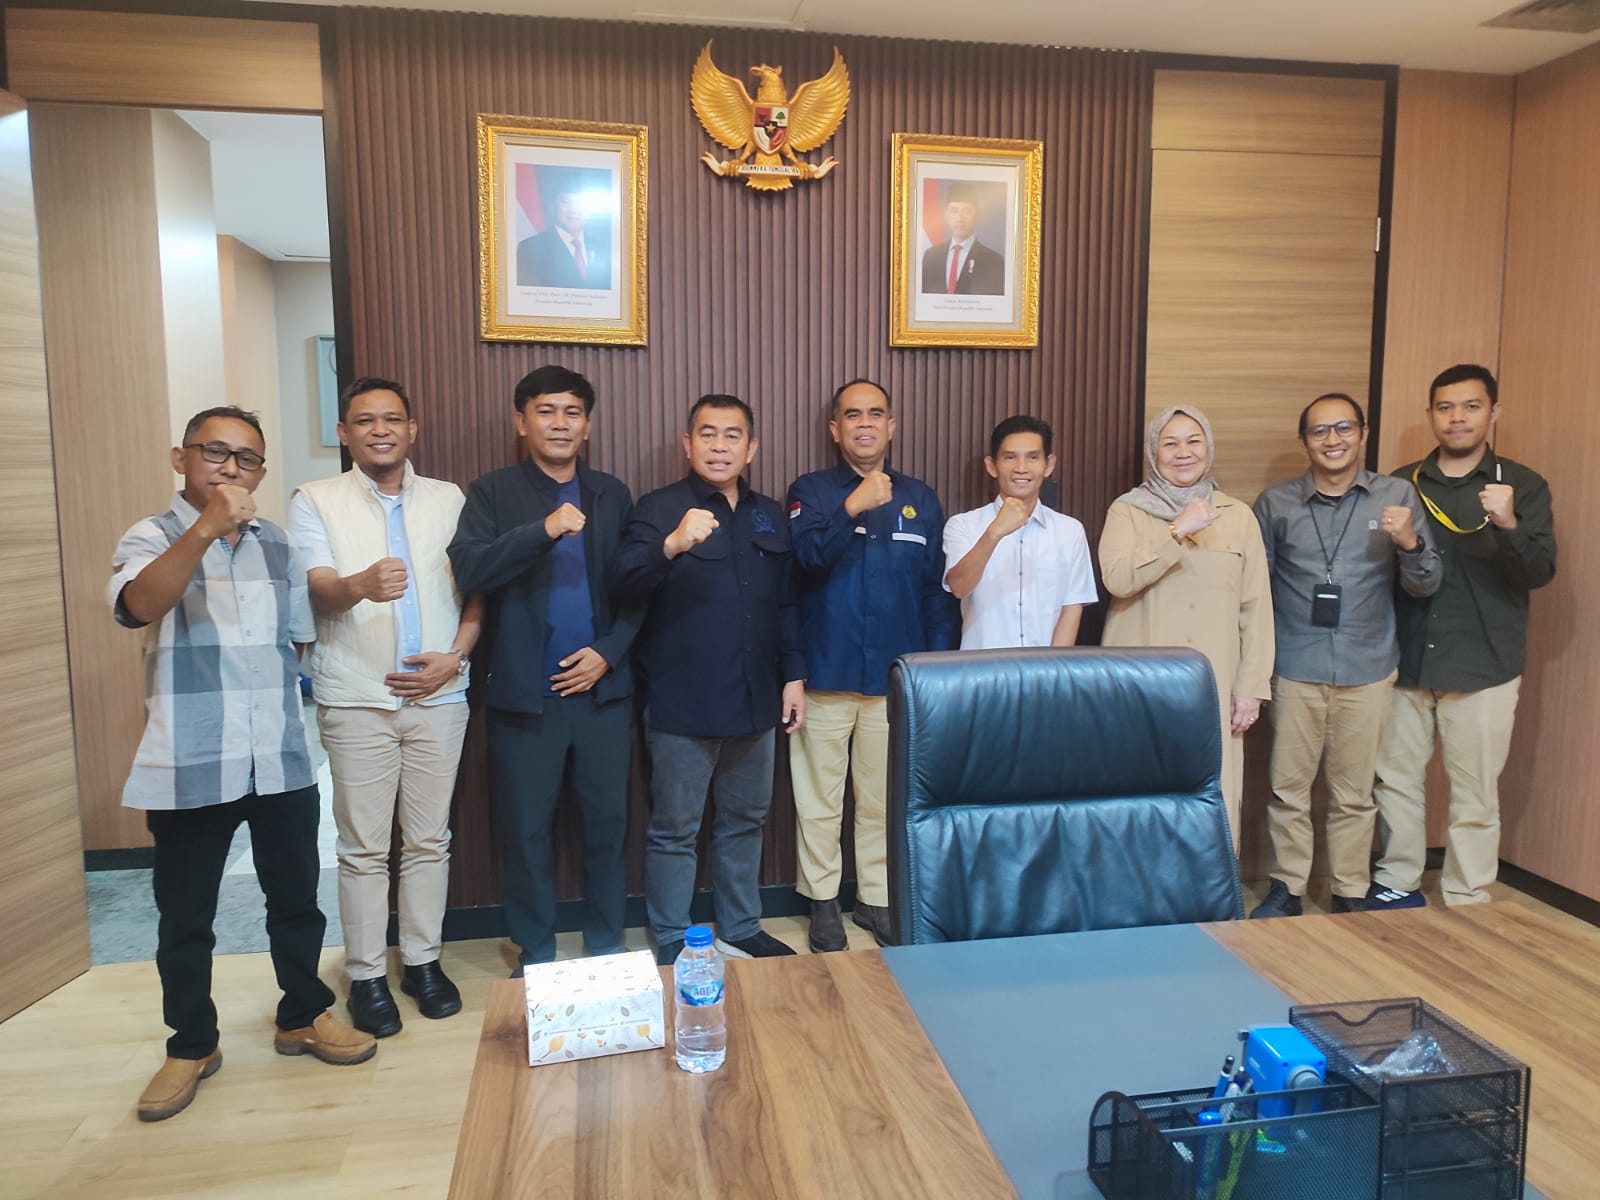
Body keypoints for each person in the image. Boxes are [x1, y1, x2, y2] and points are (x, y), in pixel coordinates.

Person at [112, 406, 375, 1124]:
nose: (232, 468)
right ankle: (191, 1044)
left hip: (280, 756)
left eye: (248, 458)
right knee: (186, 917)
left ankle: (304, 1015)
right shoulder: (151, 535)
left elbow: (297, 641)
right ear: (181, 458)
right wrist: (205, 528)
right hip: (191, 759)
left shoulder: (276, 544)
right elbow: (139, 606)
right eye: (216, 452)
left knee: (296, 900)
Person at [288, 377, 481, 1037]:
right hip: (356, 698)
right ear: (345, 433)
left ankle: (423, 962)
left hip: (440, 696)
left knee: (429, 840)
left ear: (412, 429)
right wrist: (359, 585)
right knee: (363, 848)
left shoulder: (450, 499)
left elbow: (477, 590)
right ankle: (367, 974)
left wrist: (457, 656)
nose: (380, 430)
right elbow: (316, 591)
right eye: (365, 420)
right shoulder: (315, 500)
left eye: (392, 418)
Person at [448, 366, 642, 972]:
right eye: (546, 411)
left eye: (572, 412)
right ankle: (535, 953)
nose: (560, 423)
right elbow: (471, 569)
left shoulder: (611, 493)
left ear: (588, 426)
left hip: (603, 692)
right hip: (524, 698)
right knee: (526, 831)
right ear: (521, 421)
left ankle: (606, 946)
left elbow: (639, 587)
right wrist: (544, 530)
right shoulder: (492, 492)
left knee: (609, 826)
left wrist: (609, 651)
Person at [615, 394, 806, 965]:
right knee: (675, 828)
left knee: (746, 821)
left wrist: (793, 676)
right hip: (682, 700)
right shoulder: (659, 507)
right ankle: (671, 935)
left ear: (752, 447)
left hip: (756, 697)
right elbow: (622, 583)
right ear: (687, 443)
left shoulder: (769, 514)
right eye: (707, 434)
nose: (719, 446)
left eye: (732, 435)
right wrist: (671, 545)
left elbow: (788, 603)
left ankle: (740, 926)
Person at [1369, 364, 1556, 908]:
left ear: (1493, 413)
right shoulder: (1401, 483)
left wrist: (1508, 524)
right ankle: (1397, 880)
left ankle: (1467, 894)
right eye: (1446, 407)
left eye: (1471, 407)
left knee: (1474, 793)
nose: (1457, 418)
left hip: (1484, 663)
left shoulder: (1522, 486)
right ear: (1430, 414)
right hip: (1406, 658)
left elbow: (1540, 571)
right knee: (1395, 781)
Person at [1250, 393, 1440, 918]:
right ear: (1304, 441)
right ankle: (1287, 887)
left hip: (1368, 666)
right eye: (1319, 431)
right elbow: (1257, 588)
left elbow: (1426, 585)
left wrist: (1410, 542)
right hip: (1296, 665)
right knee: (1288, 790)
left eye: (1343, 428)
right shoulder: (1275, 504)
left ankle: (1349, 888)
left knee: (1354, 794)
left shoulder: (1397, 496)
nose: (1332, 440)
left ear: (1363, 433)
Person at [786, 379, 955, 951]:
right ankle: (822, 902)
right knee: (819, 801)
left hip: (895, 678)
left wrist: (932, 671)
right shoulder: (811, 491)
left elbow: (934, 593)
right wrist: (852, 506)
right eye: (853, 415)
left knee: (883, 801)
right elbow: (807, 560)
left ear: (891, 426)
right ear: (835, 429)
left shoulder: (920, 498)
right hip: (826, 671)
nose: (865, 424)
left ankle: (876, 899)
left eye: (875, 414)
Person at [1099, 406, 1273, 842]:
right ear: (1153, 452)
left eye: (1193, 441)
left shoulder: (1238, 515)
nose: (1183, 452)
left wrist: (1251, 687)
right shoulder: (1127, 511)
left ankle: (1212, 882)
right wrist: (1177, 530)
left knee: (1213, 794)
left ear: (1208, 448)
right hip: (1140, 683)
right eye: (1170, 443)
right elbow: (1117, 580)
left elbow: (1256, 607)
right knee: (1139, 788)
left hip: (1215, 685)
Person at [943, 415, 1098, 649]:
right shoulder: (963, 525)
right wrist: (994, 533)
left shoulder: (1070, 531)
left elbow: (1071, 608)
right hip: (981, 666)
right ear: (992, 466)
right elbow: (959, 587)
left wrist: (1053, 667)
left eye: (1032, 457)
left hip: (1045, 667)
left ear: (1049, 465)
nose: (1021, 468)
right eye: (1010, 457)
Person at [919, 183, 1005, 296]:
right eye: (954, 211)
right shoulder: (930, 257)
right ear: (946, 215)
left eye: (967, 211)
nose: (960, 218)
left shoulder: (994, 261)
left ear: (977, 216)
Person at [516, 191, 612, 290]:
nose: (574, 210)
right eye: (566, 201)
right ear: (552, 206)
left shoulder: (602, 249)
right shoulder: (530, 248)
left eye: (580, 203)